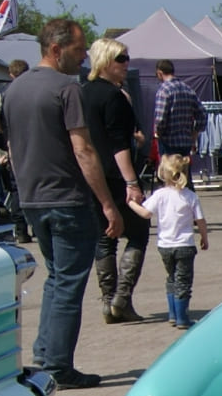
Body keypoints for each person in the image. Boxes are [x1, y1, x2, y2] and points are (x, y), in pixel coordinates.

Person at [2, 18, 123, 389]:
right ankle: (57, 364)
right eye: (78, 48)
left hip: (32, 199)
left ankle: (44, 352)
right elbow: (83, 150)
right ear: (56, 49)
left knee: (57, 277)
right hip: (67, 198)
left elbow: (12, 145)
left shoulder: (14, 90)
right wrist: (108, 203)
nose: (84, 55)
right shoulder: (67, 89)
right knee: (69, 281)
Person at [81, 38, 147, 324]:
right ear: (106, 60)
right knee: (138, 232)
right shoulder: (113, 97)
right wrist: (132, 181)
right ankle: (121, 298)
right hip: (115, 175)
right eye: (120, 58)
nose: (126, 63)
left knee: (104, 237)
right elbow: (118, 144)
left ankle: (110, 302)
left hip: (91, 175)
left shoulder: (82, 93)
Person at [128, 152, 206, 328]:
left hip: (164, 245)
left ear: (162, 174)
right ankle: (182, 318)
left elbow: (146, 213)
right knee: (183, 281)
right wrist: (204, 236)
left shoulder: (160, 194)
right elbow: (200, 220)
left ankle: (172, 314)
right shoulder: (191, 196)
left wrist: (131, 204)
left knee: (171, 278)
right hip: (185, 244)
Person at [152, 59, 204, 187]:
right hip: (185, 141)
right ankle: (189, 203)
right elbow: (202, 114)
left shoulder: (164, 90)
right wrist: (195, 133)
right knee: (185, 177)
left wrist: (158, 132)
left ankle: (171, 205)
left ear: (160, 73)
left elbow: (160, 118)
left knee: (169, 179)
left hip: (168, 141)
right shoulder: (188, 89)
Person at [0, 58, 31, 242]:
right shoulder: (36, 89)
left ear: (10, 74)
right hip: (36, 143)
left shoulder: (4, 93)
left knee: (16, 188)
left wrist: (4, 132)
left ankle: (21, 229)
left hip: (13, 143)